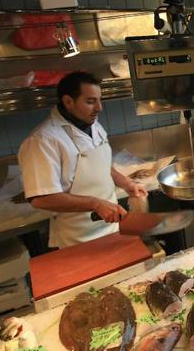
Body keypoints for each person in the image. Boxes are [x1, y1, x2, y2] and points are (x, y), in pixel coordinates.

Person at [18, 71, 148, 249]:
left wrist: (126, 183)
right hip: (78, 238)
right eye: (90, 101)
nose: (99, 108)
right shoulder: (42, 140)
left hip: (113, 228)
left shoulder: (93, 124)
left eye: (99, 100)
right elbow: (41, 198)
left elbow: (101, 165)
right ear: (68, 101)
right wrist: (95, 204)